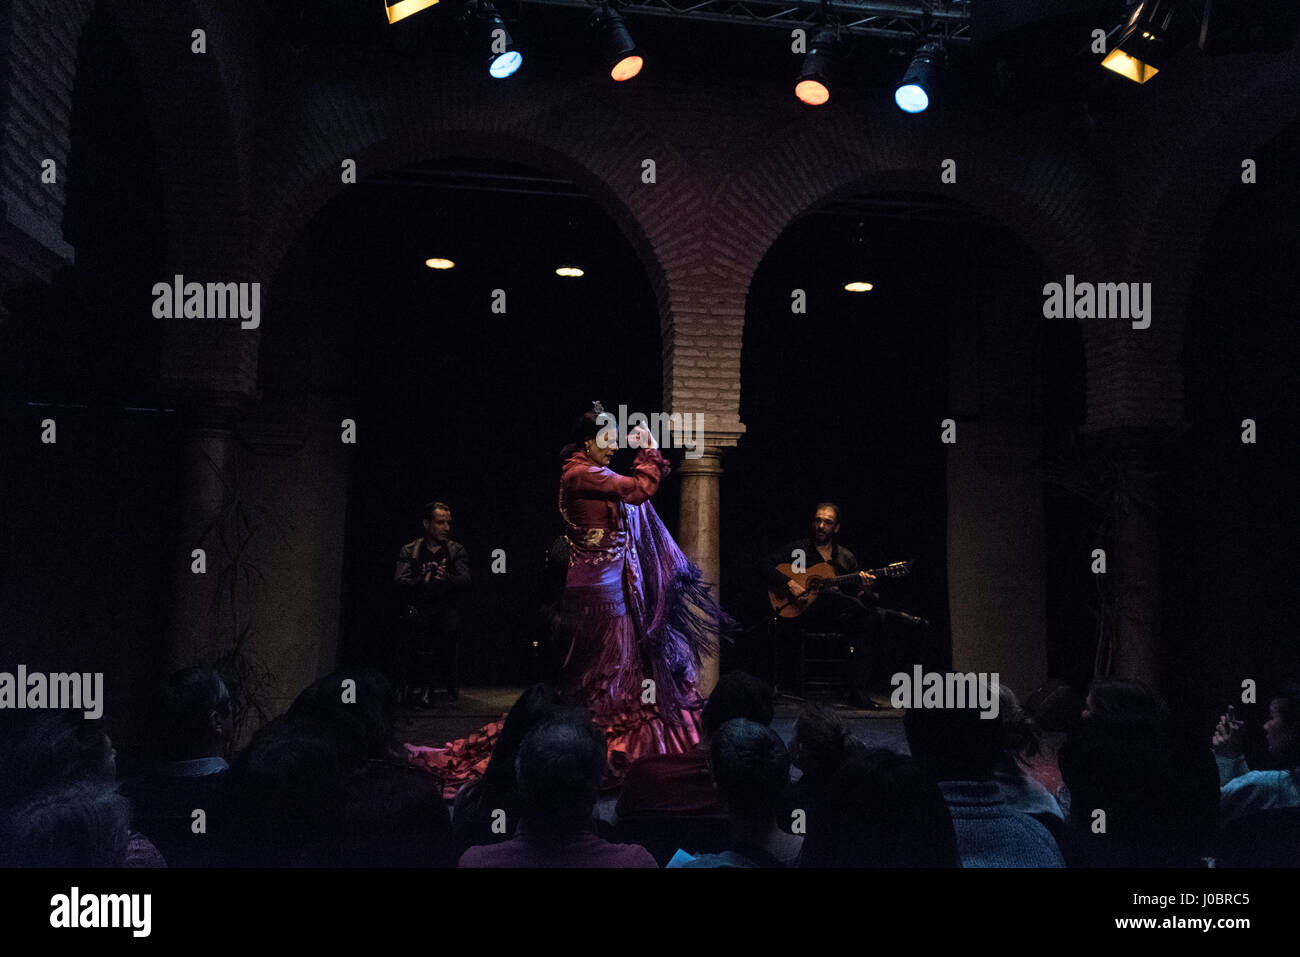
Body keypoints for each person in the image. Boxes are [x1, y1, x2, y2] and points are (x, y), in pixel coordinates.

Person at [556, 404, 724, 780]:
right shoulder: (581, 473)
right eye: (608, 440)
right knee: (605, 666)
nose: (613, 448)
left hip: (605, 583)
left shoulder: (588, 471)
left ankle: (601, 739)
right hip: (598, 590)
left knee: (617, 664)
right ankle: (597, 743)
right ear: (588, 441)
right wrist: (648, 449)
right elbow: (637, 489)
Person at [762, 503, 880, 706]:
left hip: (835, 617)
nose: (821, 526)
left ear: (836, 528)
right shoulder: (798, 550)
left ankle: (857, 690)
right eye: (818, 520)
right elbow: (765, 566)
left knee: (867, 618)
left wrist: (867, 591)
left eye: (827, 522)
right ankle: (886, 614)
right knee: (827, 596)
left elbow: (854, 598)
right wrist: (790, 583)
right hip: (801, 614)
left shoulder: (845, 557)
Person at [395, 501, 471, 705]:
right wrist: (421, 579)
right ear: (427, 524)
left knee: (445, 629)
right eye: (440, 522)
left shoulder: (456, 550)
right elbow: (400, 581)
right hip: (419, 609)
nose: (446, 527)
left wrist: (446, 578)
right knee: (414, 630)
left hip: (445, 608)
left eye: (448, 522)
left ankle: (431, 687)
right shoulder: (410, 550)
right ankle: (414, 687)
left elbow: (465, 580)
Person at [1212, 683, 1300, 822]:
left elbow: (1214, 809)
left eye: (1272, 717)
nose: (1265, 726)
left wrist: (1226, 759)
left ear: (1294, 729)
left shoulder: (1270, 786)